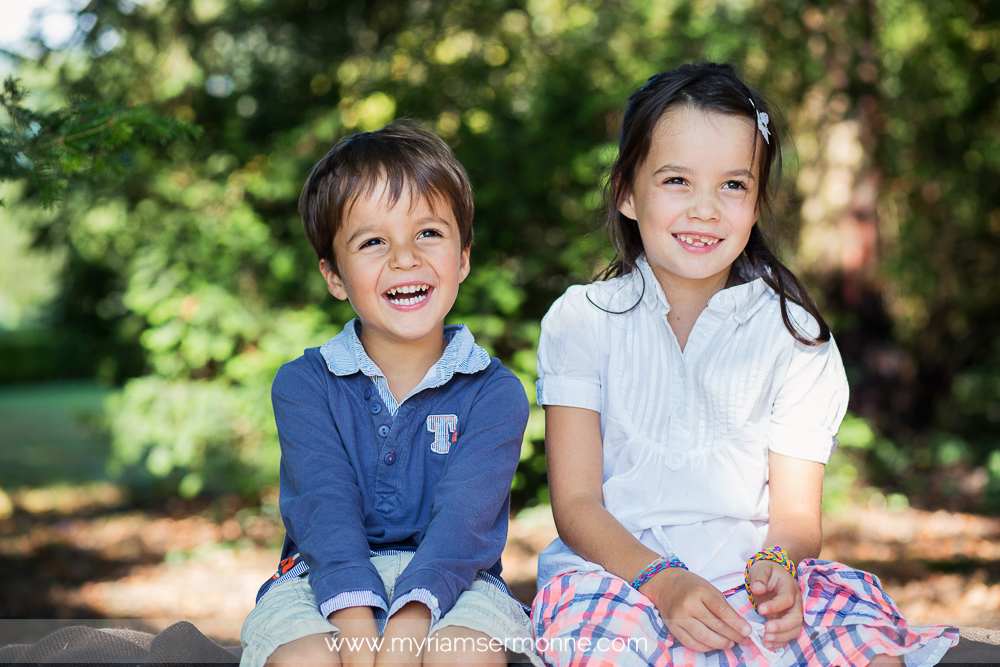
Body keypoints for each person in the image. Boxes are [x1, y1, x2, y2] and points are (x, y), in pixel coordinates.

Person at [530, 62, 959, 667]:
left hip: (749, 579)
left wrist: (778, 565)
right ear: (626, 192)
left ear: (756, 203)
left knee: (864, 643)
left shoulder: (796, 337)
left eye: (733, 185)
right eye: (677, 180)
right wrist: (663, 582)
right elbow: (577, 504)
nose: (706, 209)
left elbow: (795, 517)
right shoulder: (582, 321)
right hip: (619, 577)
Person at [240, 121, 542, 667]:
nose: (405, 258)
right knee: (306, 659)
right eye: (373, 241)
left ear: (463, 257)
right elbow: (325, 518)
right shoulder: (305, 385)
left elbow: (461, 531)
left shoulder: (495, 393)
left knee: (462, 655)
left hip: (458, 583)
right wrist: (362, 645)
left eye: (428, 233)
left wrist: (403, 638)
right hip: (320, 579)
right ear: (334, 276)